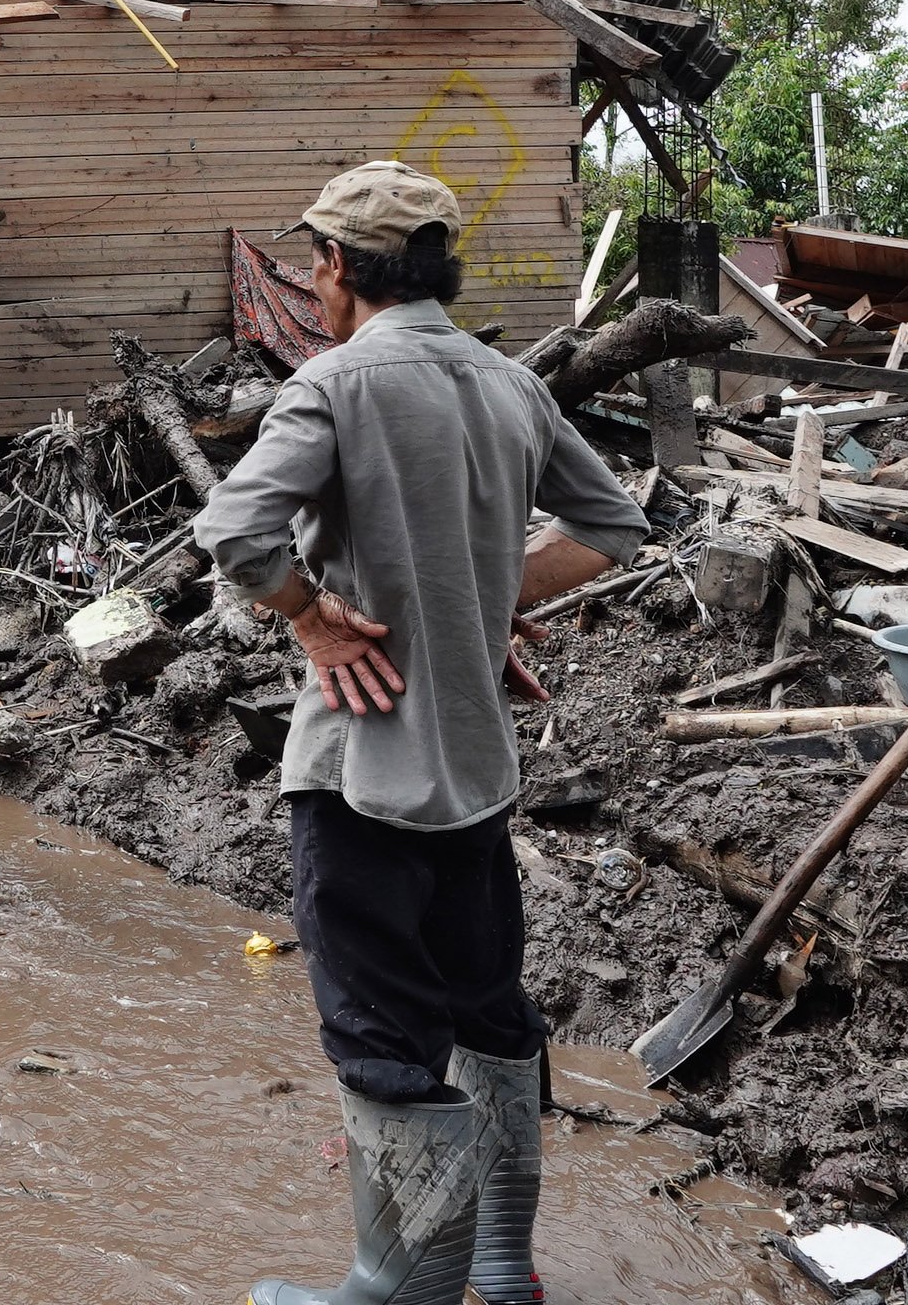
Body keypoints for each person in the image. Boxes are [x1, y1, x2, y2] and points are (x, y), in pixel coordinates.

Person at [194, 161, 648, 1305]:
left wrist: (308, 617)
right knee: (486, 1012)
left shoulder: (336, 381)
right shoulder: (507, 382)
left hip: (360, 772)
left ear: (342, 267)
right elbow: (611, 522)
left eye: (315, 259)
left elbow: (236, 531)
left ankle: (389, 1286)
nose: (308, 276)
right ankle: (500, 1265)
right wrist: (483, 600)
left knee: (377, 1031)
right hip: (476, 774)